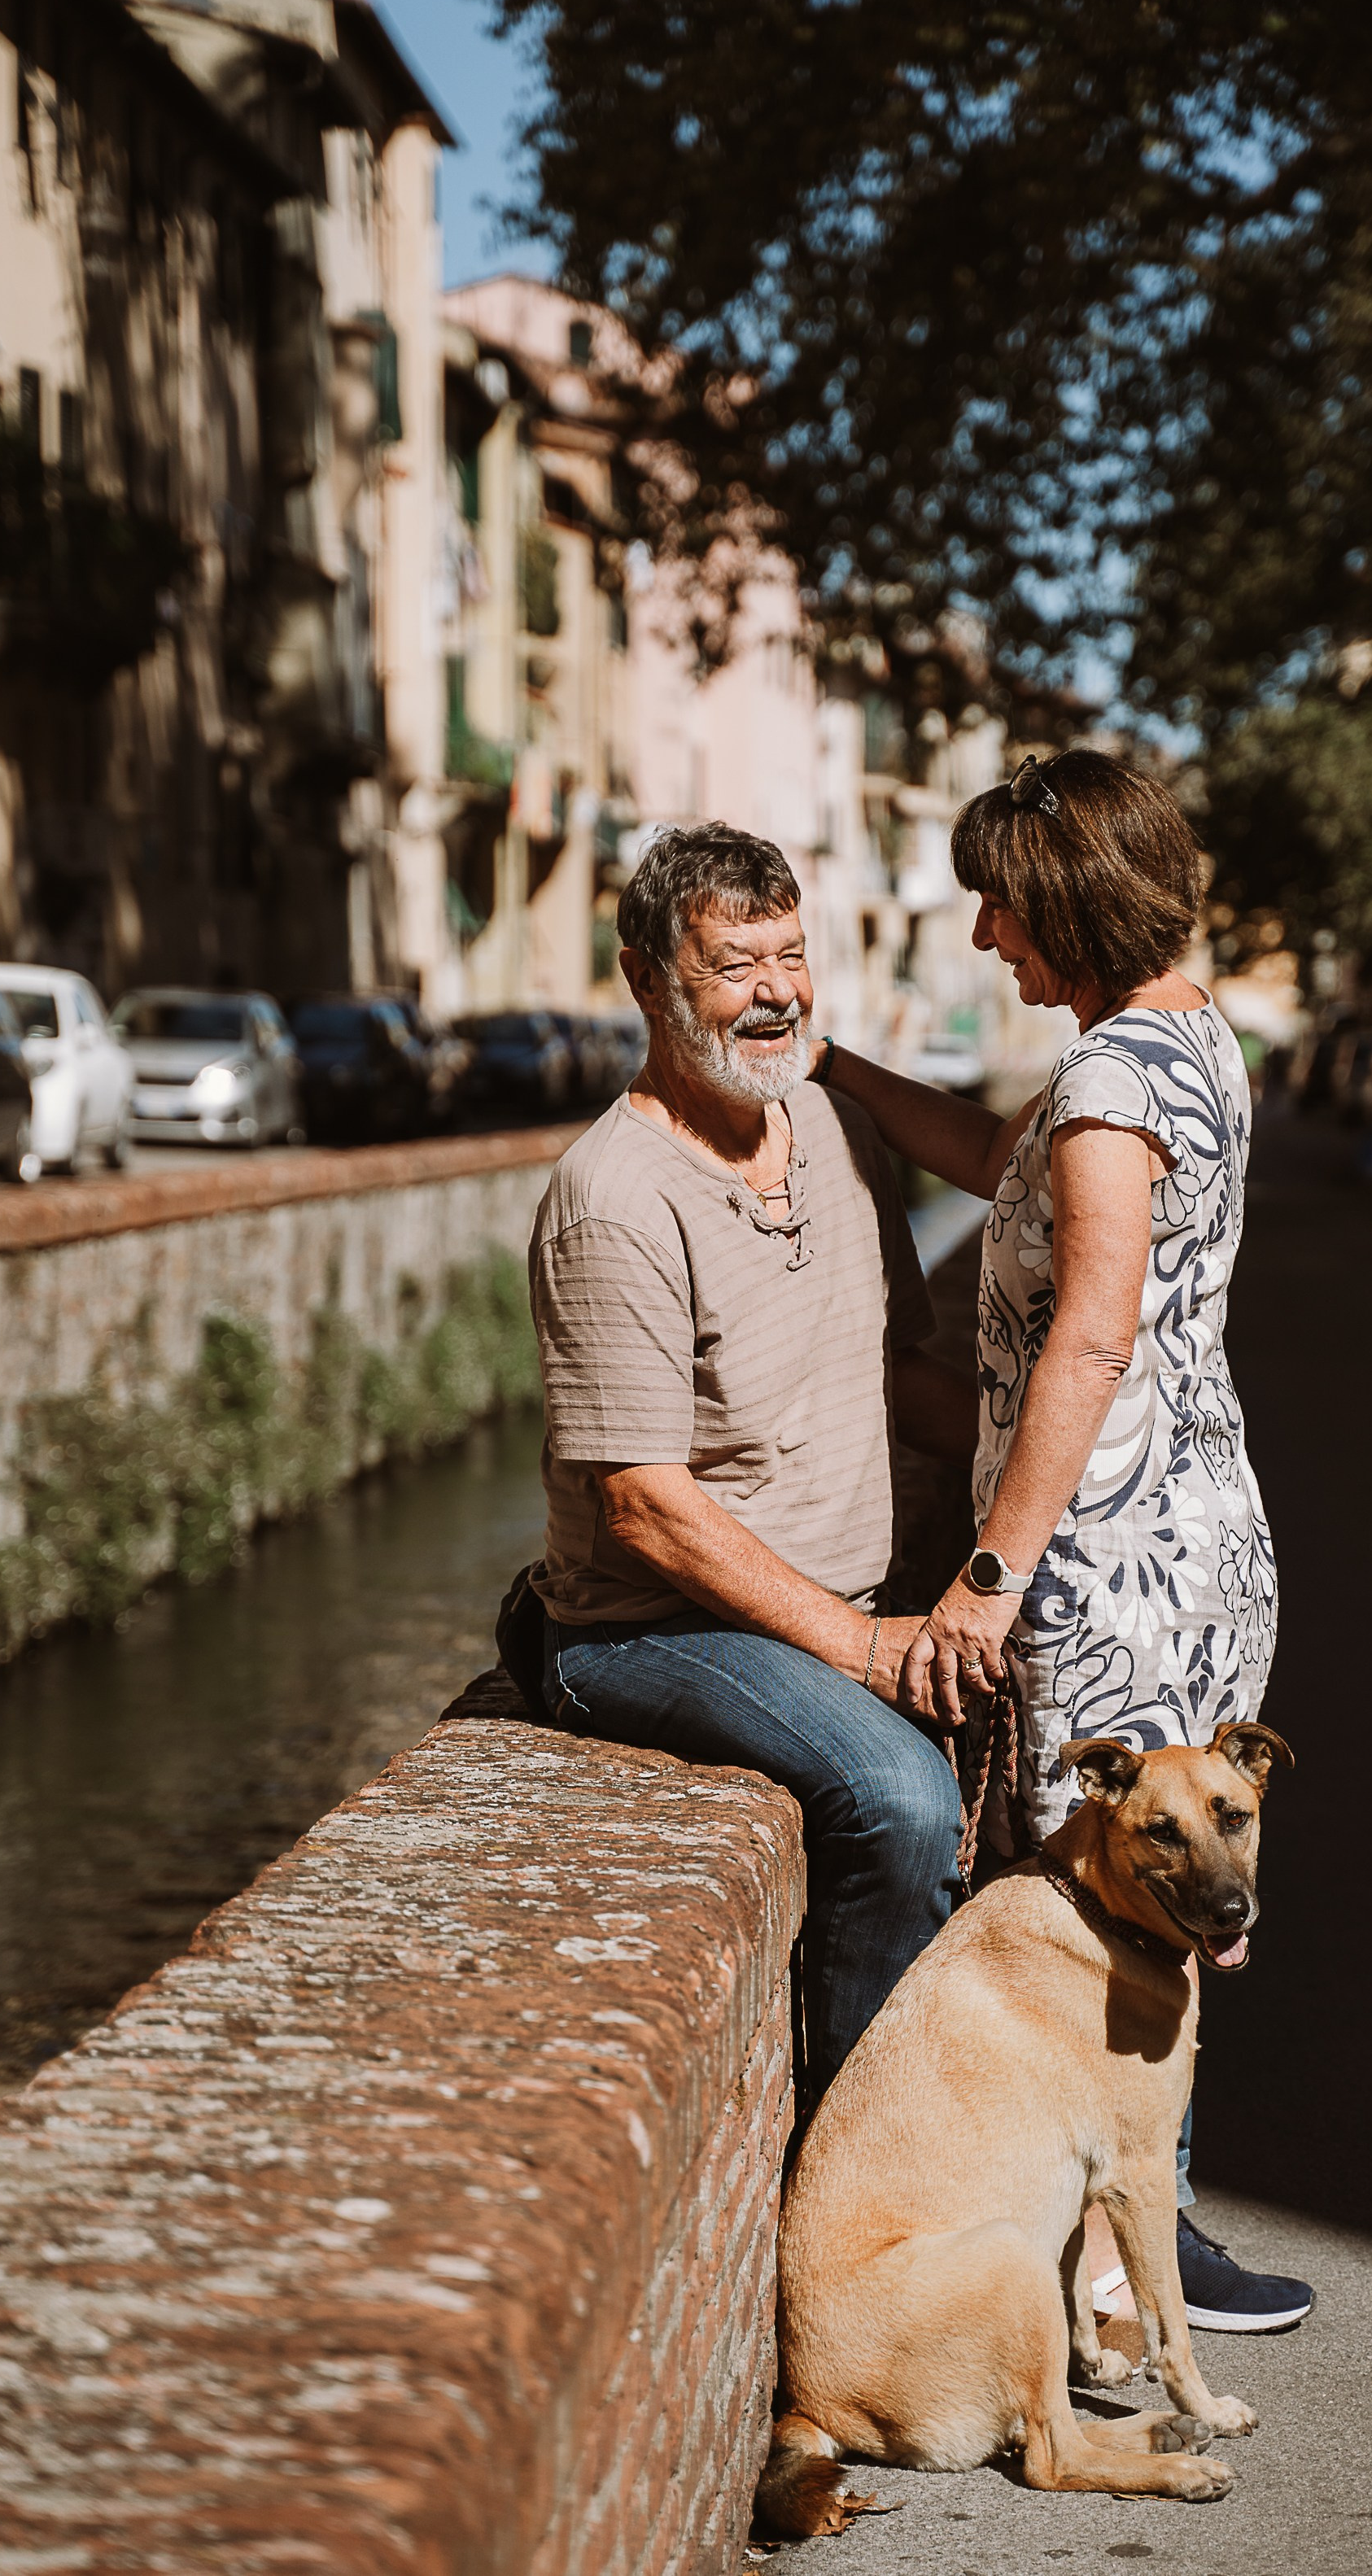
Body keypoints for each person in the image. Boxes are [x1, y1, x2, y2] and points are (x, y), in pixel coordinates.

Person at [814, 745, 1313, 2335]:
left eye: (999, 912)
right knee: (1153, 1899)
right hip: (1197, 1540)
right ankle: (1150, 2230)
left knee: (1094, 1916)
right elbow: (996, 1164)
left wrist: (987, 1574)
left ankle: (1109, 2277)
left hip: (1107, 1566)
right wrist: (839, 1072)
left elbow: (1087, 1344)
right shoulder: (1183, 1044)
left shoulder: (1107, 1083)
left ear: (1063, 905)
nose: (983, 944)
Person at [517, 823, 972, 2106]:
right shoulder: (616, 1197)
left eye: (791, 955)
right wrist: (866, 1648)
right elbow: (645, 1509)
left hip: (803, 1608)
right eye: (734, 966)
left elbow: (893, 1381)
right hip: (646, 1627)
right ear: (649, 981)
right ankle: (860, 2153)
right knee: (901, 1799)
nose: (776, 992)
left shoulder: (835, 1131)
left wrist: (1053, 1466)